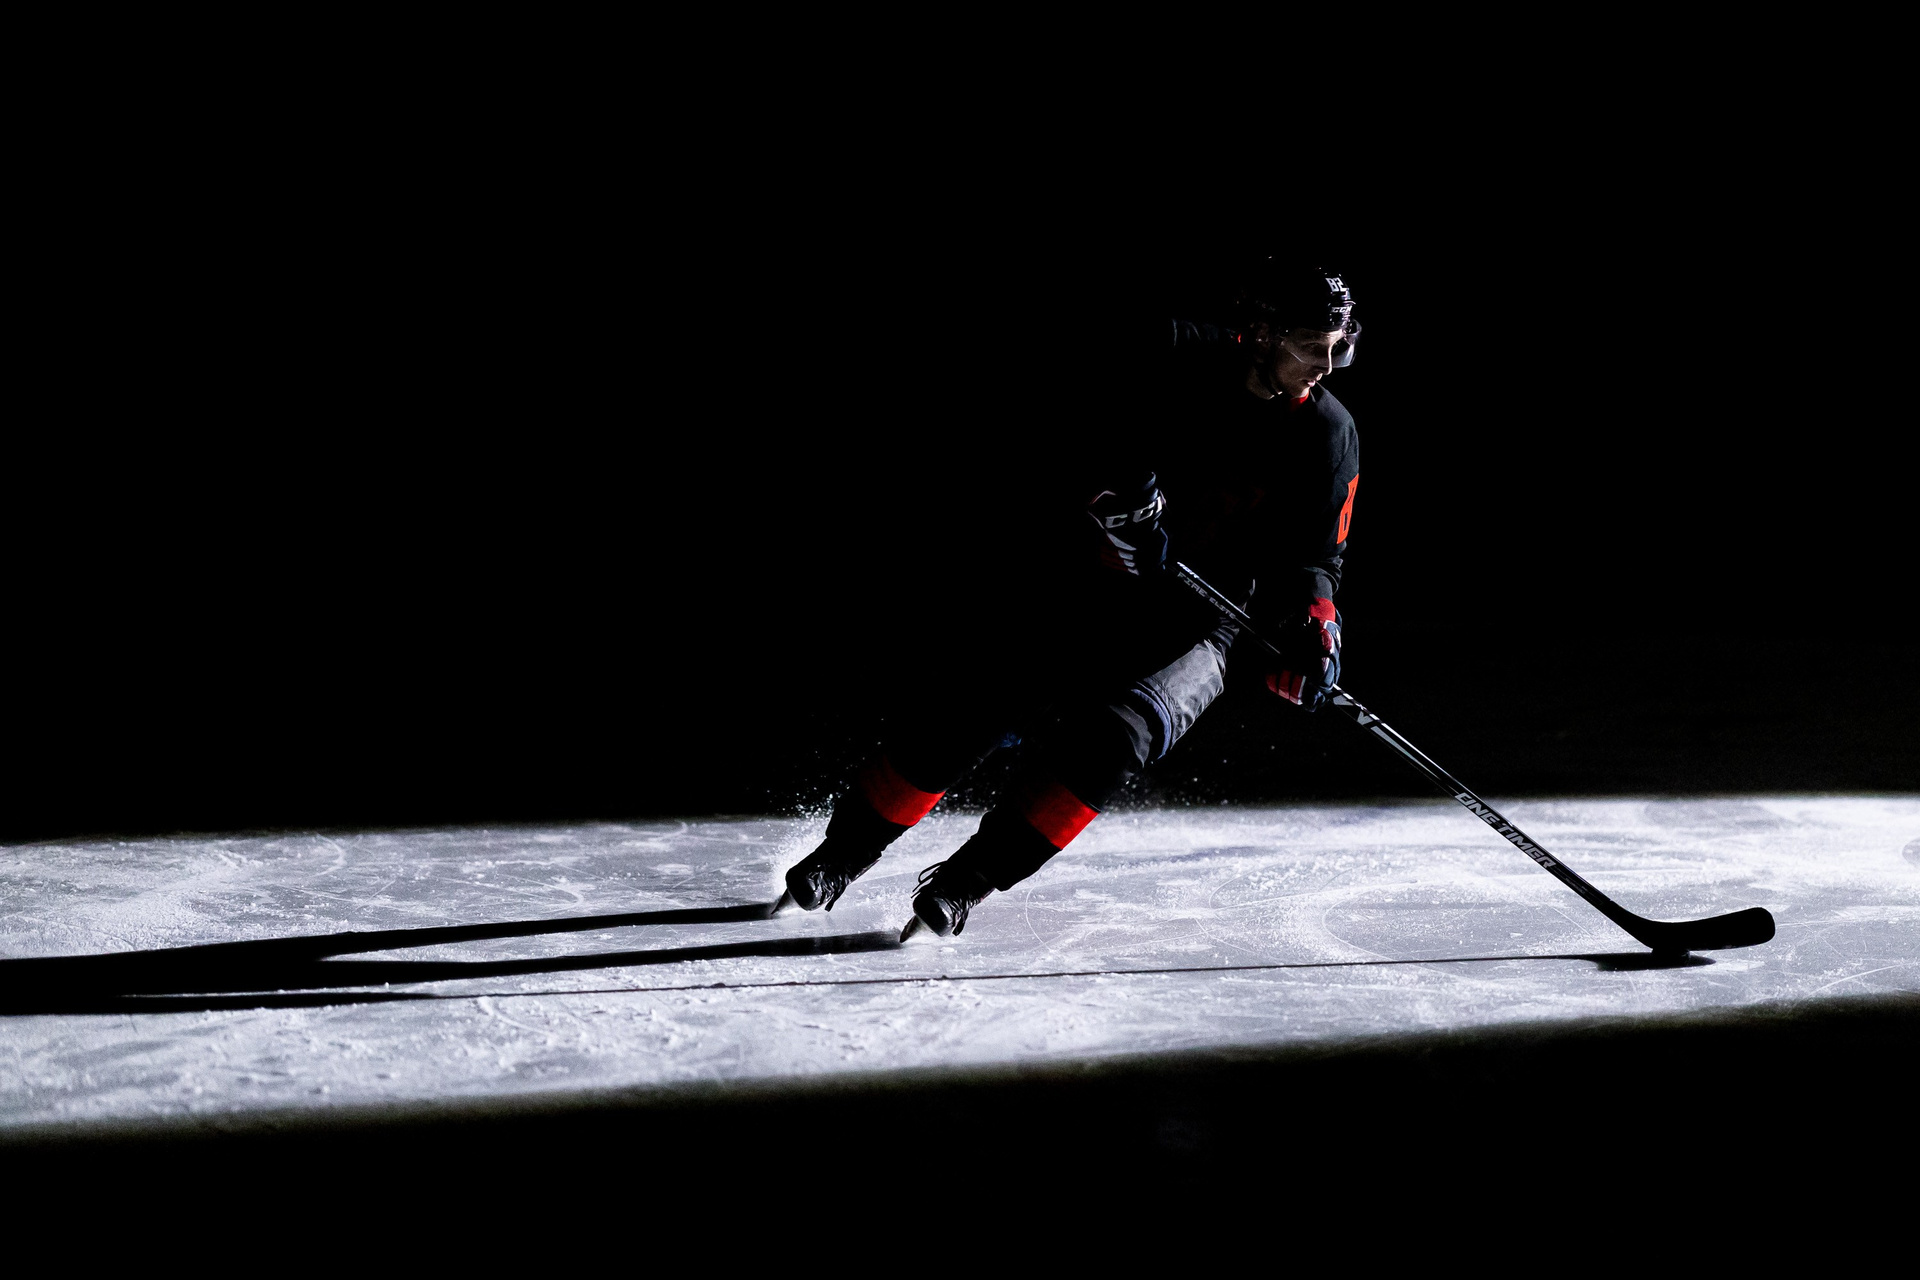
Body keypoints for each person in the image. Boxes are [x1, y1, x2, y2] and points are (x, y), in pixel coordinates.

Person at [784, 263, 1364, 937]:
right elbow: (1065, 415)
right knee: (976, 708)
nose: (1327, 367)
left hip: (1195, 622)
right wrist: (1116, 493)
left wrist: (1314, 620)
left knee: (1115, 742)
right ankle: (843, 852)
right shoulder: (1170, 352)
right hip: (1080, 580)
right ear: (1260, 334)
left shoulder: (1328, 433)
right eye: (1311, 348)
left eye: (1338, 349)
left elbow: (1316, 556)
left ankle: (967, 883)